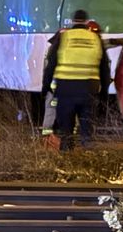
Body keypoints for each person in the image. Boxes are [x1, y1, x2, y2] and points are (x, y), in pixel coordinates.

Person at [42, 9, 110, 150]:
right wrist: (104, 92)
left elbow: (51, 63)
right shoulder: (95, 39)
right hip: (89, 90)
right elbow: (104, 68)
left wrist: (46, 86)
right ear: (86, 21)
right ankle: (87, 159)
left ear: (73, 21)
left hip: (65, 89)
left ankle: (66, 162)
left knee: (66, 131)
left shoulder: (64, 37)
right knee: (87, 129)